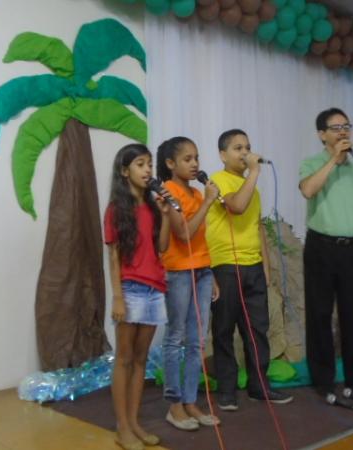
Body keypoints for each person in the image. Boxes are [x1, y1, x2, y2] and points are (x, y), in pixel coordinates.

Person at [298, 108, 353, 400]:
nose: (343, 132)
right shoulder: (312, 163)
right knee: (320, 315)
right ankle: (323, 380)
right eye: (335, 128)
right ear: (322, 135)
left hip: (350, 250)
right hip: (320, 247)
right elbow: (308, 190)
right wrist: (334, 161)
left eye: (346, 126)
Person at [206, 129, 293, 411]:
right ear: (222, 154)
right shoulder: (217, 180)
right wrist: (254, 172)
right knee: (223, 330)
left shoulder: (251, 187)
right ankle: (227, 391)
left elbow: (257, 228)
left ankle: (259, 386)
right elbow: (237, 207)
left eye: (248, 147)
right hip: (225, 266)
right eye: (237, 148)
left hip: (253, 266)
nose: (245, 153)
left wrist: (265, 267)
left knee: (257, 330)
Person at [104, 143, 171, 450]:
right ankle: (122, 427)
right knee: (125, 358)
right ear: (124, 171)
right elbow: (114, 256)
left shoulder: (154, 207)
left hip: (155, 288)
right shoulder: (117, 210)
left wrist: (167, 214)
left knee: (141, 359)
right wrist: (117, 297)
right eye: (141, 164)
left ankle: (134, 423)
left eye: (149, 165)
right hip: (130, 289)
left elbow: (163, 247)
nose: (147, 170)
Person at [156, 137, 221, 431]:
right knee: (175, 338)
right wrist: (208, 201)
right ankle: (174, 406)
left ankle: (191, 400)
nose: (195, 164)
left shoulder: (195, 193)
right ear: (171, 164)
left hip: (202, 272)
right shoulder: (169, 192)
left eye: (196, 157)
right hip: (178, 273)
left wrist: (211, 274)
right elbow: (183, 235)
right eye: (187, 159)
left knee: (197, 341)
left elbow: (201, 240)